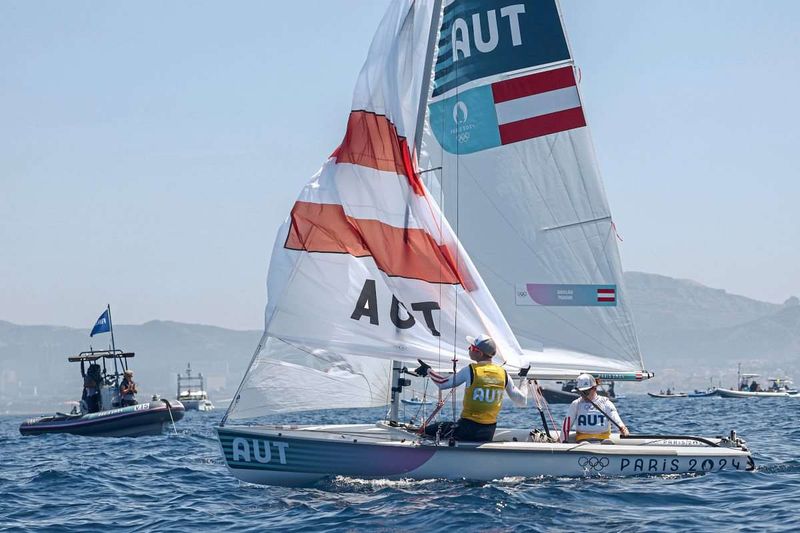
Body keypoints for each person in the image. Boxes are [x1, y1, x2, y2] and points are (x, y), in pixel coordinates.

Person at [421, 334, 528, 442]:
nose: (469, 349)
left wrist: (428, 370)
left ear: (479, 353)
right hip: (488, 431)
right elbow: (522, 401)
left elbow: (442, 383)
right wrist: (523, 378)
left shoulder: (471, 370)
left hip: (467, 429)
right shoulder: (504, 374)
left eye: (471, 347)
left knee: (426, 431)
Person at [561, 373, 629, 442]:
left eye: (585, 392)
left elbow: (615, 417)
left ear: (594, 389)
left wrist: (622, 427)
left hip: (603, 439)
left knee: (607, 442)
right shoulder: (576, 404)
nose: (583, 395)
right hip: (583, 440)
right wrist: (562, 441)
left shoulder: (605, 403)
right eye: (580, 392)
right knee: (585, 444)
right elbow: (566, 426)